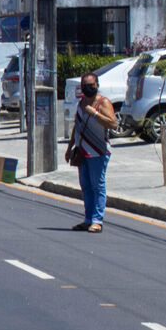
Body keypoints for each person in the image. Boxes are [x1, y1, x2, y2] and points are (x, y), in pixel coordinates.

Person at [64, 72, 118, 233]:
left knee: (97, 186)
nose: (88, 89)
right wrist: (70, 147)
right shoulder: (81, 103)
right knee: (86, 186)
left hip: (98, 151)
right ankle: (88, 219)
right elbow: (77, 126)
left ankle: (97, 220)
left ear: (97, 85)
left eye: (91, 85)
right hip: (82, 151)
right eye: (85, 86)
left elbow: (112, 123)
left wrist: (94, 112)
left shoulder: (103, 102)